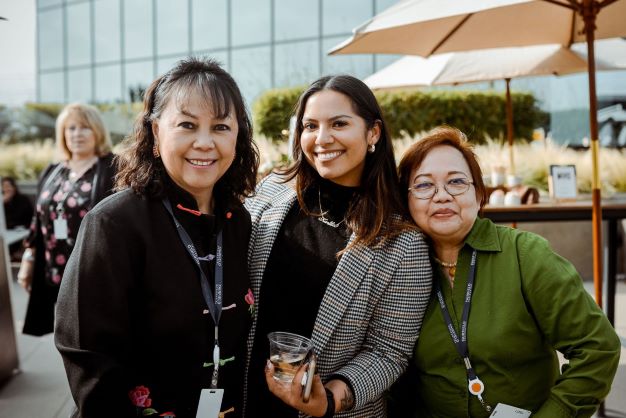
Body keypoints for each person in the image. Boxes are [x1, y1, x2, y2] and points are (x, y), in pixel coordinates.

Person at [55, 57, 259, 418]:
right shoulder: (114, 224)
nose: (204, 142)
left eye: (221, 127)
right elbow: (88, 357)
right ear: (154, 133)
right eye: (187, 125)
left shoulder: (238, 220)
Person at [395, 126, 621, 417]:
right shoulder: (401, 269)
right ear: (407, 200)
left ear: (479, 194)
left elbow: (598, 349)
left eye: (456, 182)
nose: (442, 196)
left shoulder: (525, 255)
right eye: (424, 185)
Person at [244, 75, 432, 418]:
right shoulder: (272, 191)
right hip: (248, 400)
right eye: (310, 126)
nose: (322, 138)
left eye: (339, 124)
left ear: (373, 132)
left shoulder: (403, 243)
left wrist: (327, 400)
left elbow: (388, 352)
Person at [17, 103, 116, 336]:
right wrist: (29, 259)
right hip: (56, 273)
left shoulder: (113, 168)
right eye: (70, 128)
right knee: (66, 336)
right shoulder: (53, 170)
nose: (76, 134)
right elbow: (37, 219)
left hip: (95, 273)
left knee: (96, 337)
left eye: (84, 127)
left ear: (97, 131)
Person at [2, 176, 34, 259]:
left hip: (23, 231)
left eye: (8, 186)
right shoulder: (2, 202)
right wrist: (3, 203)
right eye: (4, 187)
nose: (7, 189)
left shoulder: (23, 200)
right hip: (8, 233)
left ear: (14, 187)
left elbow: (26, 217)